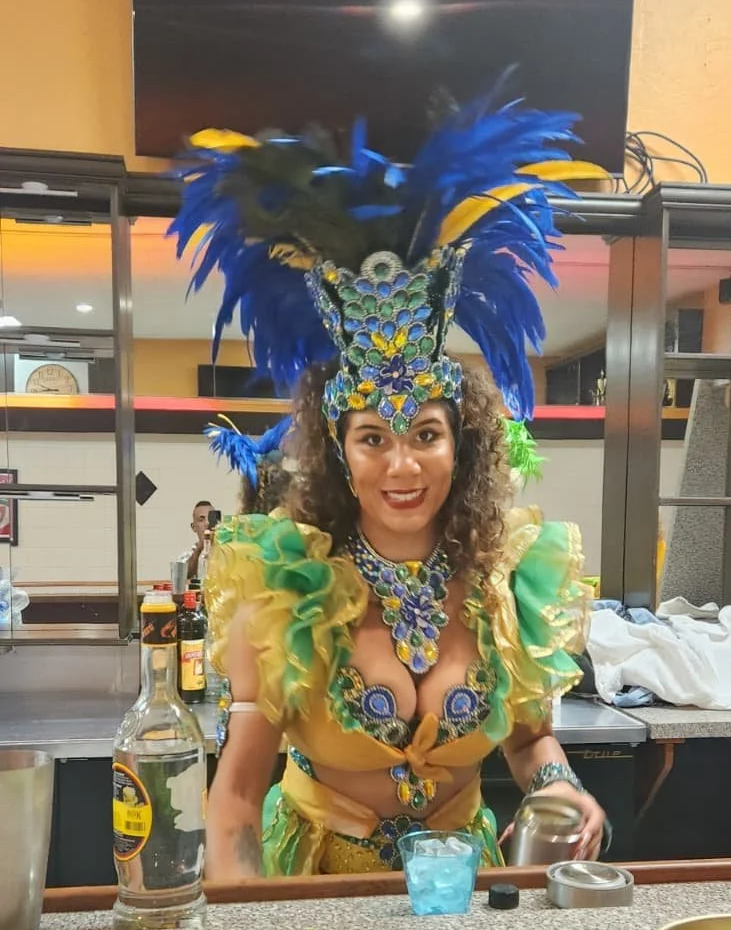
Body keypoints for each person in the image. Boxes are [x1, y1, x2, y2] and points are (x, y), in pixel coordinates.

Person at [171, 93, 608, 878]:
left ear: (460, 447)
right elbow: (234, 795)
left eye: (425, 435)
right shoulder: (283, 589)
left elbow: (530, 739)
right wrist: (242, 924)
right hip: (314, 885)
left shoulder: (510, 583)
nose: (401, 466)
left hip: (458, 890)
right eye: (372, 438)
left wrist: (561, 788)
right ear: (339, 453)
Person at [183, 500, 213, 581]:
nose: (207, 523)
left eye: (211, 518)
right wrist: (199, 549)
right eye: (201, 520)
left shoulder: (228, 552)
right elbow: (183, 576)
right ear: (194, 527)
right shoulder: (186, 556)